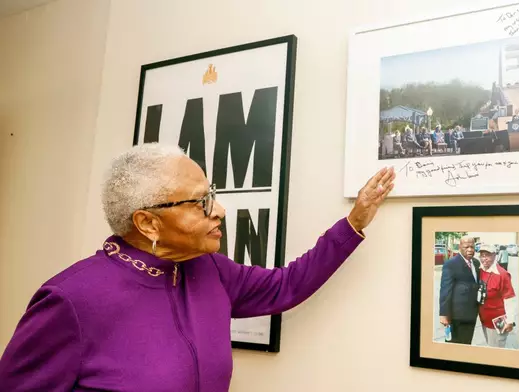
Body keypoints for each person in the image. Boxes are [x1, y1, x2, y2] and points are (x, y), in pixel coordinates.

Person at [0, 143, 396, 392]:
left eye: (213, 195)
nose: (220, 210)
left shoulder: (210, 269)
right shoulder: (71, 300)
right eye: (200, 202)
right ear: (148, 223)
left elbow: (285, 286)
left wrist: (353, 224)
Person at [438, 236, 480, 344]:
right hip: (456, 315)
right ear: (460, 247)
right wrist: (444, 314)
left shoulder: (476, 263)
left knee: (467, 342)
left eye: (472, 246)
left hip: (471, 314)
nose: (470, 249)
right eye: (466, 247)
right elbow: (445, 290)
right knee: (453, 346)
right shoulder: (451, 264)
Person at [477, 244, 517, 349]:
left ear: (495, 255)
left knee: (497, 350)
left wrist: (510, 321)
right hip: (484, 319)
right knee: (490, 345)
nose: (484, 258)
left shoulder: (502, 274)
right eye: (482, 255)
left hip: (498, 321)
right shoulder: (480, 270)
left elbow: (510, 299)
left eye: (488, 255)